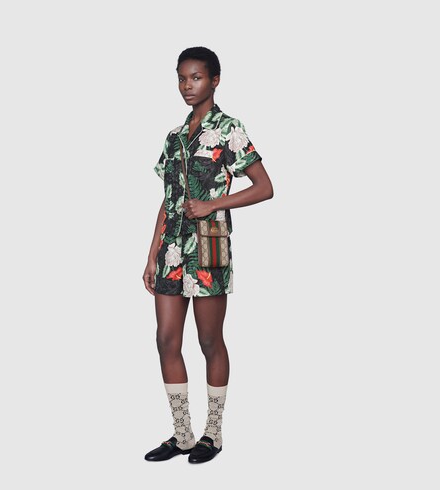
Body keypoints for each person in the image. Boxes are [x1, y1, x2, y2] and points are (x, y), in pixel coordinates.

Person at [143, 46, 274, 464]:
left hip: (209, 244)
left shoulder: (229, 129)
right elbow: (167, 199)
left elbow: (264, 187)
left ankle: (212, 434)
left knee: (208, 339)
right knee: (166, 339)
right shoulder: (174, 137)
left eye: (196, 77)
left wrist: (213, 205)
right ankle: (182, 435)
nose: (188, 85)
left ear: (214, 80)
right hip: (171, 249)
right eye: (182, 78)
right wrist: (151, 254)